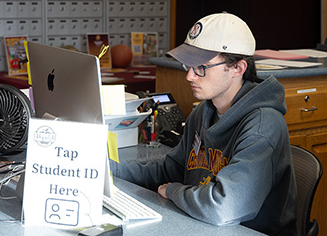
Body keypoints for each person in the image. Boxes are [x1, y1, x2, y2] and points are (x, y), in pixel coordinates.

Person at [110, 12, 297, 235]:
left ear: (237, 68)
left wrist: (173, 192)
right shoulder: (203, 112)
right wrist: (108, 170)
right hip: (202, 225)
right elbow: (172, 169)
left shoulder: (262, 126)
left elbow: (224, 208)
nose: (190, 76)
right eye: (188, 65)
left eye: (202, 67)